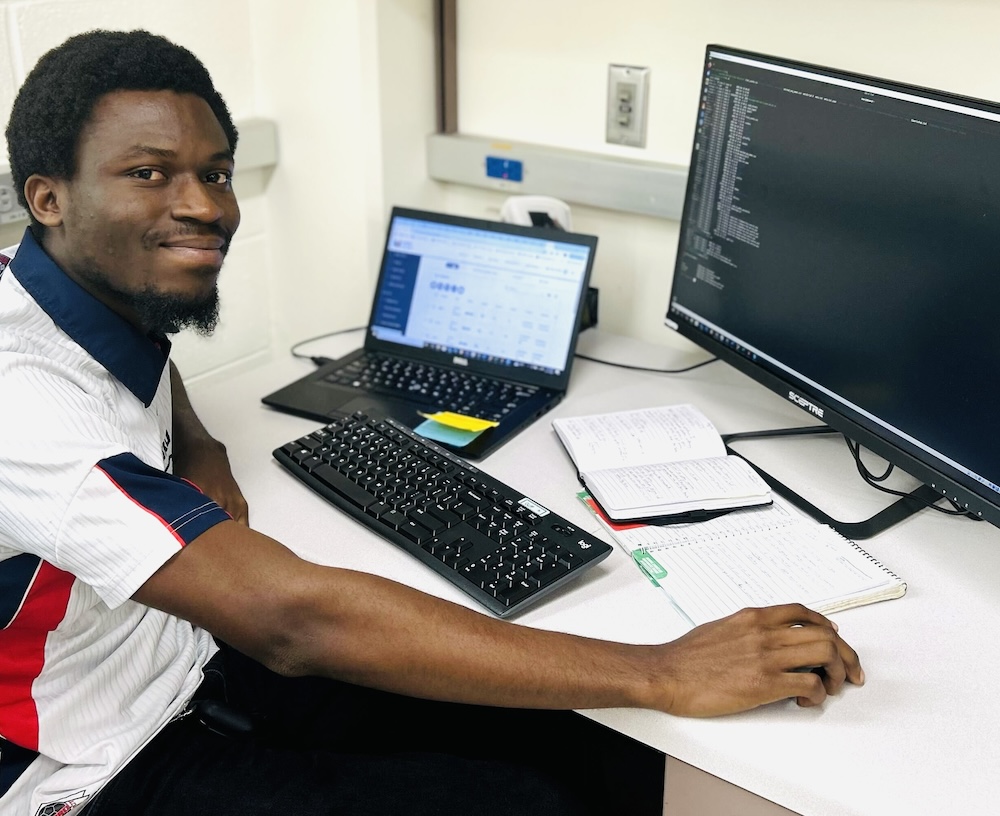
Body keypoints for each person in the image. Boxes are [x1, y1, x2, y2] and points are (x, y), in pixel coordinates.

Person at [0, 29, 863, 816]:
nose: (203, 206)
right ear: (48, 198)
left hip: (182, 661)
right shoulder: (20, 399)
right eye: (149, 174)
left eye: (216, 173)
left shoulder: (61, 282)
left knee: (580, 748)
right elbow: (291, 622)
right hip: (94, 765)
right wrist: (661, 669)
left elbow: (145, 344)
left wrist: (200, 446)